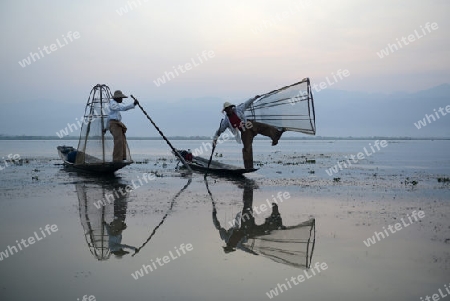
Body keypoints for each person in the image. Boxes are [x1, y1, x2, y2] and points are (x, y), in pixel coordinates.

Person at [213, 96, 285, 170]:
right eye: (227, 109)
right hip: (245, 132)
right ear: (225, 111)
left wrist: (254, 98)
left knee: (263, 127)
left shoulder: (238, 110)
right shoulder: (226, 121)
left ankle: (276, 135)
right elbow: (219, 131)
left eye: (229, 108)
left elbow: (246, 103)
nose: (229, 110)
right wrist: (215, 139)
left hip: (249, 124)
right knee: (247, 148)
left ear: (231, 108)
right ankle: (248, 166)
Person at [106, 90, 138, 162]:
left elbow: (108, 117)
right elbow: (123, 108)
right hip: (114, 124)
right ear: (117, 98)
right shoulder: (113, 104)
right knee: (118, 141)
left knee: (122, 140)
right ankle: (116, 159)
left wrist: (133, 104)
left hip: (117, 124)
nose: (122, 99)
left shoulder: (115, 104)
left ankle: (121, 157)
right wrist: (134, 104)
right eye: (121, 98)